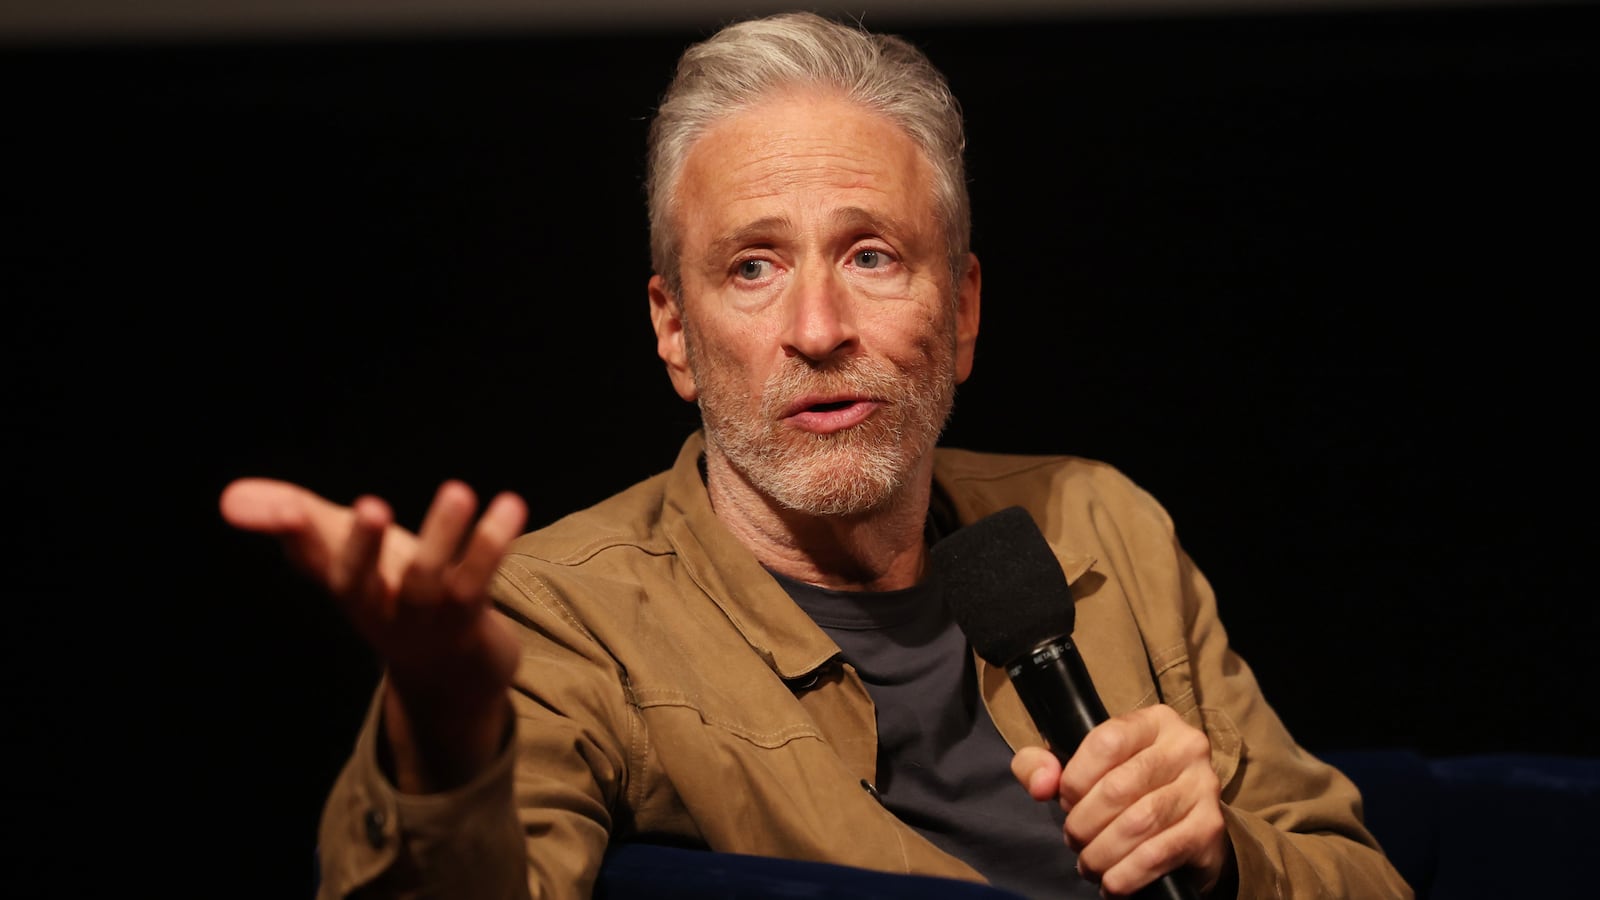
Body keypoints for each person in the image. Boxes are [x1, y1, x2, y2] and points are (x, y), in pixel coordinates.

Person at [220, 11, 1412, 900]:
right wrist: (443, 724)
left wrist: (1222, 855)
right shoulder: (558, 613)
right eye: (751, 267)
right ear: (674, 333)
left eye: (872, 255)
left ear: (962, 311)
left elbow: (1359, 877)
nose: (817, 328)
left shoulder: (1102, 524)